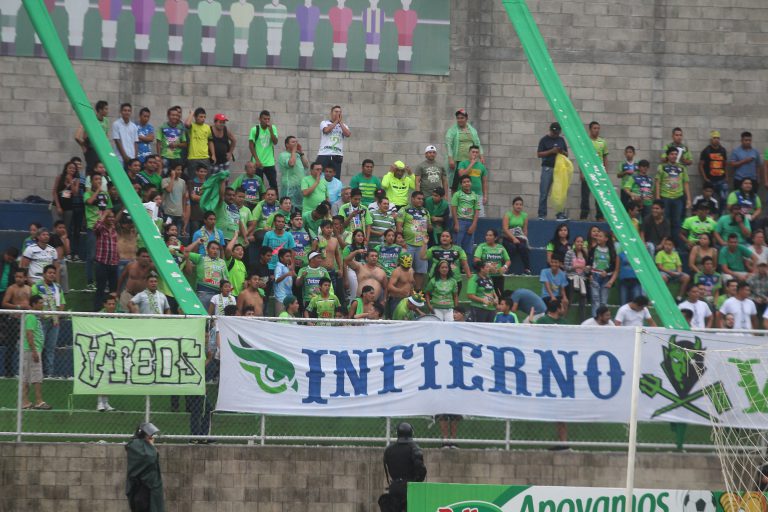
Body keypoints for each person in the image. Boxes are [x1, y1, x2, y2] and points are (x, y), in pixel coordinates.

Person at [380, 422, 426, 512]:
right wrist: (416, 481)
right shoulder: (414, 448)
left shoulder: (389, 449)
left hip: (394, 486)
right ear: (411, 433)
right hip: (410, 486)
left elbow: (387, 469)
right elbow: (421, 470)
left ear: (397, 433)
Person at [30, 265, 66, 377]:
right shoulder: (37, 286)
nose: (52, 275)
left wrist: (57, 315)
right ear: (44, 274)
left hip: (54, 321)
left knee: (50, 347)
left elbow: (62, 303)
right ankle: (37, 372)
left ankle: (49, 373)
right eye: (49, 273)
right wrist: (39, 315)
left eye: (54, 273)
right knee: (39, 346)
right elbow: (32, 302)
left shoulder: (58, 287)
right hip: (41, 320)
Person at [125, 422, 164, 512]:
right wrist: (152, 447)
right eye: (149, 435)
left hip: (150, 484)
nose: (151, 437)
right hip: (140, 483)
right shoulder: (136, 444)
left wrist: (151, 446)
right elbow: (150, 458)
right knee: (141, 504)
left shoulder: (145, 444)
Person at [21, 295, 51, 410]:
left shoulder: (34, 316)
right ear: (33, 304)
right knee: (37, 376)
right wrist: (34, 351)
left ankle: (25, 402)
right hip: (32, 351)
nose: (42, 305)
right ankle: (39, 401)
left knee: (26, 377)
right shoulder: (31, 317)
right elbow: (29, 334)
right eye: (40, 303)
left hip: (31, 350)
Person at [537, 122, 568, 220]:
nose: (555, 135)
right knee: (544, 192)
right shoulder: (544, 140)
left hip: (559, 169)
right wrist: (551, 151)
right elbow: (539, 154)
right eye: (554, 133)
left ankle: (560, 213)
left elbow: (567, 154)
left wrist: (561, 151)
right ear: (550, 130)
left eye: (557, 133)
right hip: (547, 168)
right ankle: (542, 214)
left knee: (559, 193)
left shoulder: (561, 140)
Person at [445, 108, 483, 186]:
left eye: (462, 118)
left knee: (469, 182)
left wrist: (481, 156)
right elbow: (448, 144)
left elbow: (477, 143)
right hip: (457, 161)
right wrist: (450, 159)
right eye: (458, 118)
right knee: (455, 184)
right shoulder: (452, 130)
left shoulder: (472, 130)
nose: (460, 120)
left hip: (470, 161)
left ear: (466, 118)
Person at [93, 209, 119, 311]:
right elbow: (96, 227)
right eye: (109, 217)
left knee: (113, 290)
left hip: (113, 263)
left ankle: (113, 311)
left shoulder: (114, 229)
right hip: (102, 263)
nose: (111, 219)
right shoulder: (101, 229)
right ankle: (97, 310)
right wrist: (104, 215)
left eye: (112, 217)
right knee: (101, 288)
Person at [582, 121, 608, 220]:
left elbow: (605, 157)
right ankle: (584, 215)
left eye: (598, 128)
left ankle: (600, 216)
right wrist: (582, 172)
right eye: (594, 128)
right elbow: (582, 157)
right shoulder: (585, 141)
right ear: (590, 129)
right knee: (585, 195)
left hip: (599, 173)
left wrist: (605, 172)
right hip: (588, 171)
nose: (597, 130)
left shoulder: (603, 142)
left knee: (600, 196)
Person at [588, 229, 617, 316]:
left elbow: (613, 265)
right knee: (595, 299)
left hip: (606, 277)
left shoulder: (611, 250)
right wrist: (589, 274)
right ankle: (595, 318)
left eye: (600, 236)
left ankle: (603, 319)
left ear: (606, 239)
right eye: (597, 236)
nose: (598, 238)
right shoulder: (594, 249)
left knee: (603, 301)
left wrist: (606, 271)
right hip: (595, 276)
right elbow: (589, 263)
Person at [317, 105, 351, 180]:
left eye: (339, 112)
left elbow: (348, 134)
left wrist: (340, 122)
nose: (338, 113)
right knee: (320, 176)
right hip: (324, 154)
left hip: (337, 155)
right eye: (336, 112)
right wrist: (336, 121)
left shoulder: (344, 125)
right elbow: (326, 131)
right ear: (331, 113)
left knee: (335, 177)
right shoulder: (324, 122)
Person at [699, 130, 728, 214]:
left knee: (724, 198)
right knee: (711, 200)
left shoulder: (723, 150)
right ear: (711, 139)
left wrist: (726, 176)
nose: (716, 140)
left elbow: (725, 164)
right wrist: (705, 178)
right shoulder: (706, 151)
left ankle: (721, 215)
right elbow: (700, 165)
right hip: (711, 181)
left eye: (718, 138)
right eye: (714, 138)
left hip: (721, 180)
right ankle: (712, 216)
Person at [451, 175, 479, 261]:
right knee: (457, 245)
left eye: (468, 181)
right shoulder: (457, 194)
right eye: (464, 182)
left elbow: (477, 211)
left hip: (470, 222)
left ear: (471, 183)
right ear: (461, 184)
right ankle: (456, 265)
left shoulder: (475, 196)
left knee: (468, 247)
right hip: (460, 221)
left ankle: (465, 266)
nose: (466, 183)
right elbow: (453, 209)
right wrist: (456, 223)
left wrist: (474, 225)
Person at [502, 196, 531, 274]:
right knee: (512, 248)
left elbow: (525, 229)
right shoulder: (507, 215)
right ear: (513, 205)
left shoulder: (525, 215)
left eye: (520, 204)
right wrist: (513, 238)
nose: (519, 206)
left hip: (519, 237)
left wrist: (524, 239)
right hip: (508, 237)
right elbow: (505, 229)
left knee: (523, 247)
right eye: (517, 204)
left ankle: (527, 269)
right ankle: (506, 268)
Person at [655, 237, 690, 301]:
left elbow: (679, 266)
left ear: (673, 246)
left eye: (670, 245)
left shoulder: (675, 254)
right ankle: (663, 296)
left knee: (686, 277)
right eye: (666, 244)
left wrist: (679, 273)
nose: (667, 246)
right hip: (664, 271)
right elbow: (660, 267)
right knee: (663, 277)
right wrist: (671, 273)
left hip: (674, 271)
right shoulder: (660, 253)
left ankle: (679, 297)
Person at [184, 107, 213, 177]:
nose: (203, 119)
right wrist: (192, 113)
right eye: (201, 117)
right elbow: (187, 124)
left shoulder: (207, 127)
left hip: (205, 157)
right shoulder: (192, 126)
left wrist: (213, 154)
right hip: (193, 158)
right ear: (195, 117)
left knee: (206, 179)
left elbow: (210, 141)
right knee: (193, 179)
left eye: (204, 117)